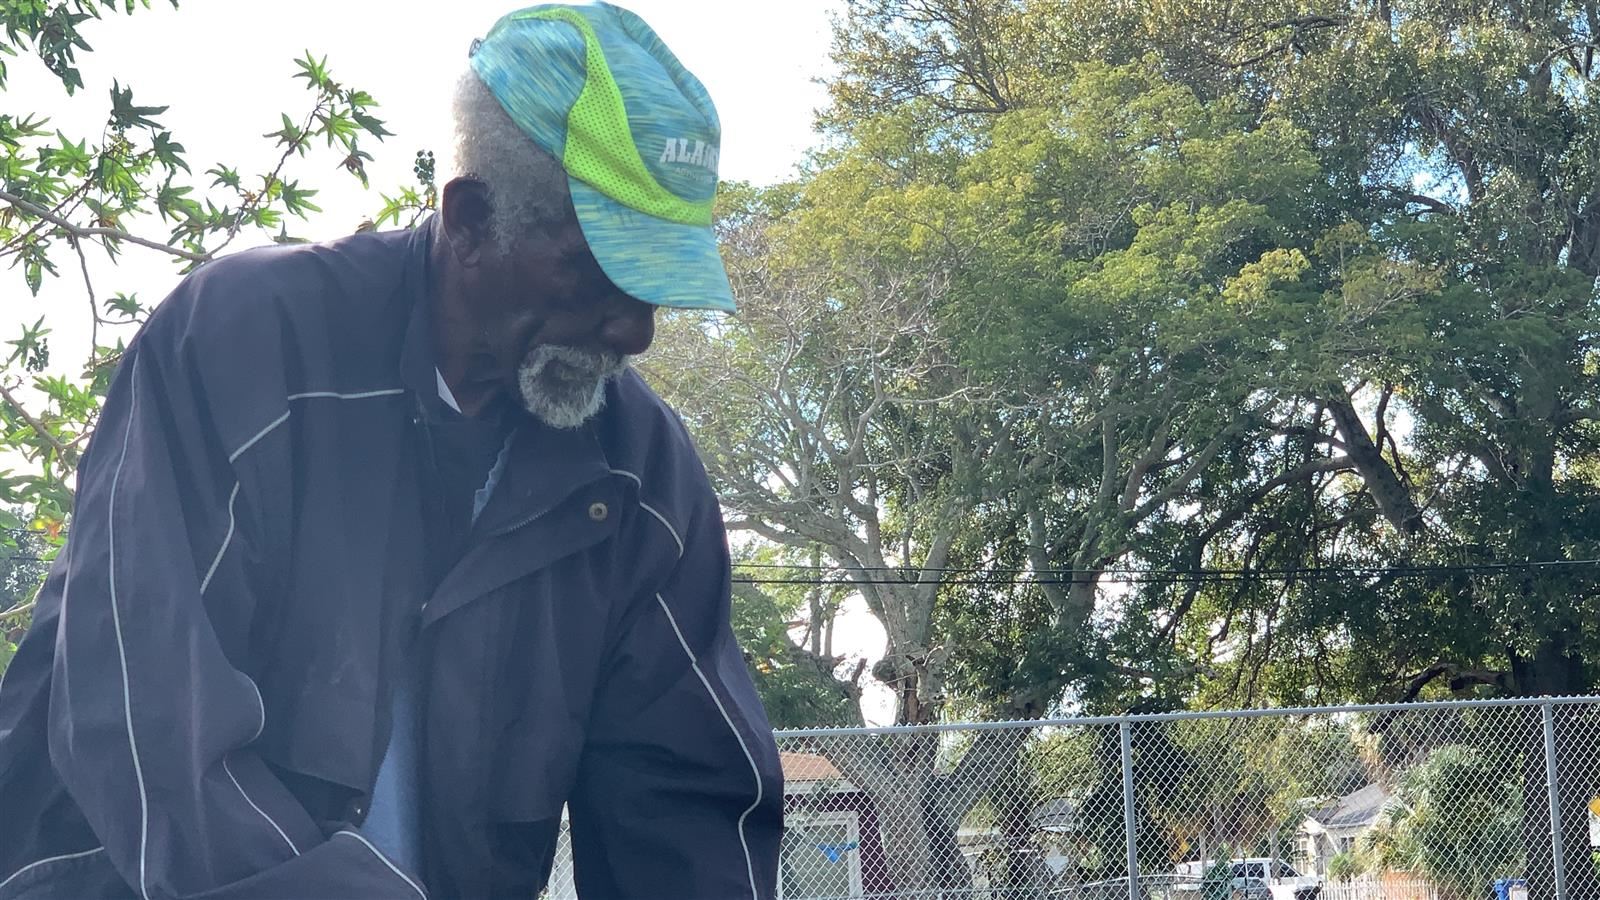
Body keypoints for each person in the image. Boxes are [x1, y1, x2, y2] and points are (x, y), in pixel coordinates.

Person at [0, 4, 784, 898]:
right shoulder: (241, 344)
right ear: (470, 218)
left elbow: (682, 805)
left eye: (658, 286)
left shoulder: (641, 473)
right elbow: (150, 725)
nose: (636, 330)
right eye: (596, 268)